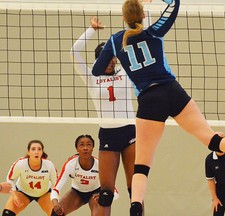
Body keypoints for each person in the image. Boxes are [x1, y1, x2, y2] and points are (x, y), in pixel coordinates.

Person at [91, 0, 225, 215]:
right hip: (173, 91)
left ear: (123, 18)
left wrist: (117, 53)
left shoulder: (115, 40)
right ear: (143, 15)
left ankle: (135, 210)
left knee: (141, 167)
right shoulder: (155, 31)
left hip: (149, 99)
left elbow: (97, 70)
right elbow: (173, 4)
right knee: (213, 140)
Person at [70, 16, 147, 215]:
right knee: (105, 193)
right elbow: (74, 52)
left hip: (129, 131)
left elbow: (140, 46)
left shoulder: (125, 72)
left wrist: (140, 23)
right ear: (98, 60)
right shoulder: (91, 78)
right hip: (108, 134)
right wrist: (91, 30)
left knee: (135, 192)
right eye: (107, 57)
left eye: (113, 57)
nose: (112, 61)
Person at [50, 134, 118, 216]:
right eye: (81, 145)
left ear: (93, 148)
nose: (85, 148)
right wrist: (55, 204)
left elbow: (115, 192)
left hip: (96, 193)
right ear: (77, 149)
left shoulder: (100, 165)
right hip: (77, 193)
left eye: (89, 145)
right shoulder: (70, 164)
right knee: (56, 214)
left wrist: (103, 197)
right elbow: (55, 189)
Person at [2, 140, 57, 216]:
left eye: (39, 149)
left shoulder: (49, 165)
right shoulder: (21, 163)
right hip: (23, 192)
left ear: (42, 152)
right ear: (28, 152)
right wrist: (14, 194)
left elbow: (56, 183)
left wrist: (56, 199)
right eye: (33, 149)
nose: (36, 152)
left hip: (44, 193)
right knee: (7, 214)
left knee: (57, 213)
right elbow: (10, 178)